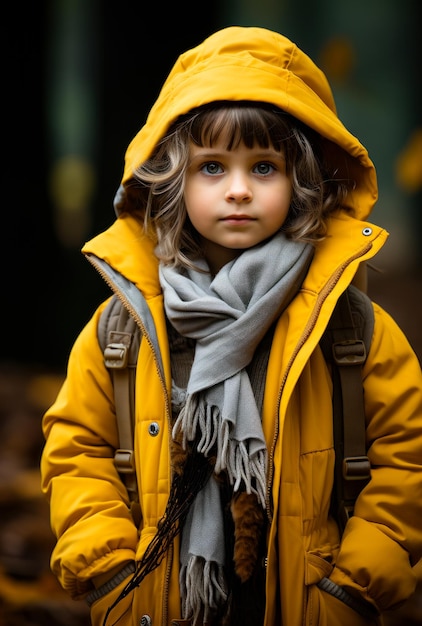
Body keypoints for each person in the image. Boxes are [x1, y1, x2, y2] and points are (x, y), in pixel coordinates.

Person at [40, 26, 422, 626]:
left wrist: (351, 590)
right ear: (173, 179)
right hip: (162, 599)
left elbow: (407, 460)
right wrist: (112, 576)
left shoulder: (349, 327)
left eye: (263, 167)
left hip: (309, 601)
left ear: (301, 180)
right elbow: (76, 453)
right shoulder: (125, 325)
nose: (239, 191)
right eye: (212, 167)